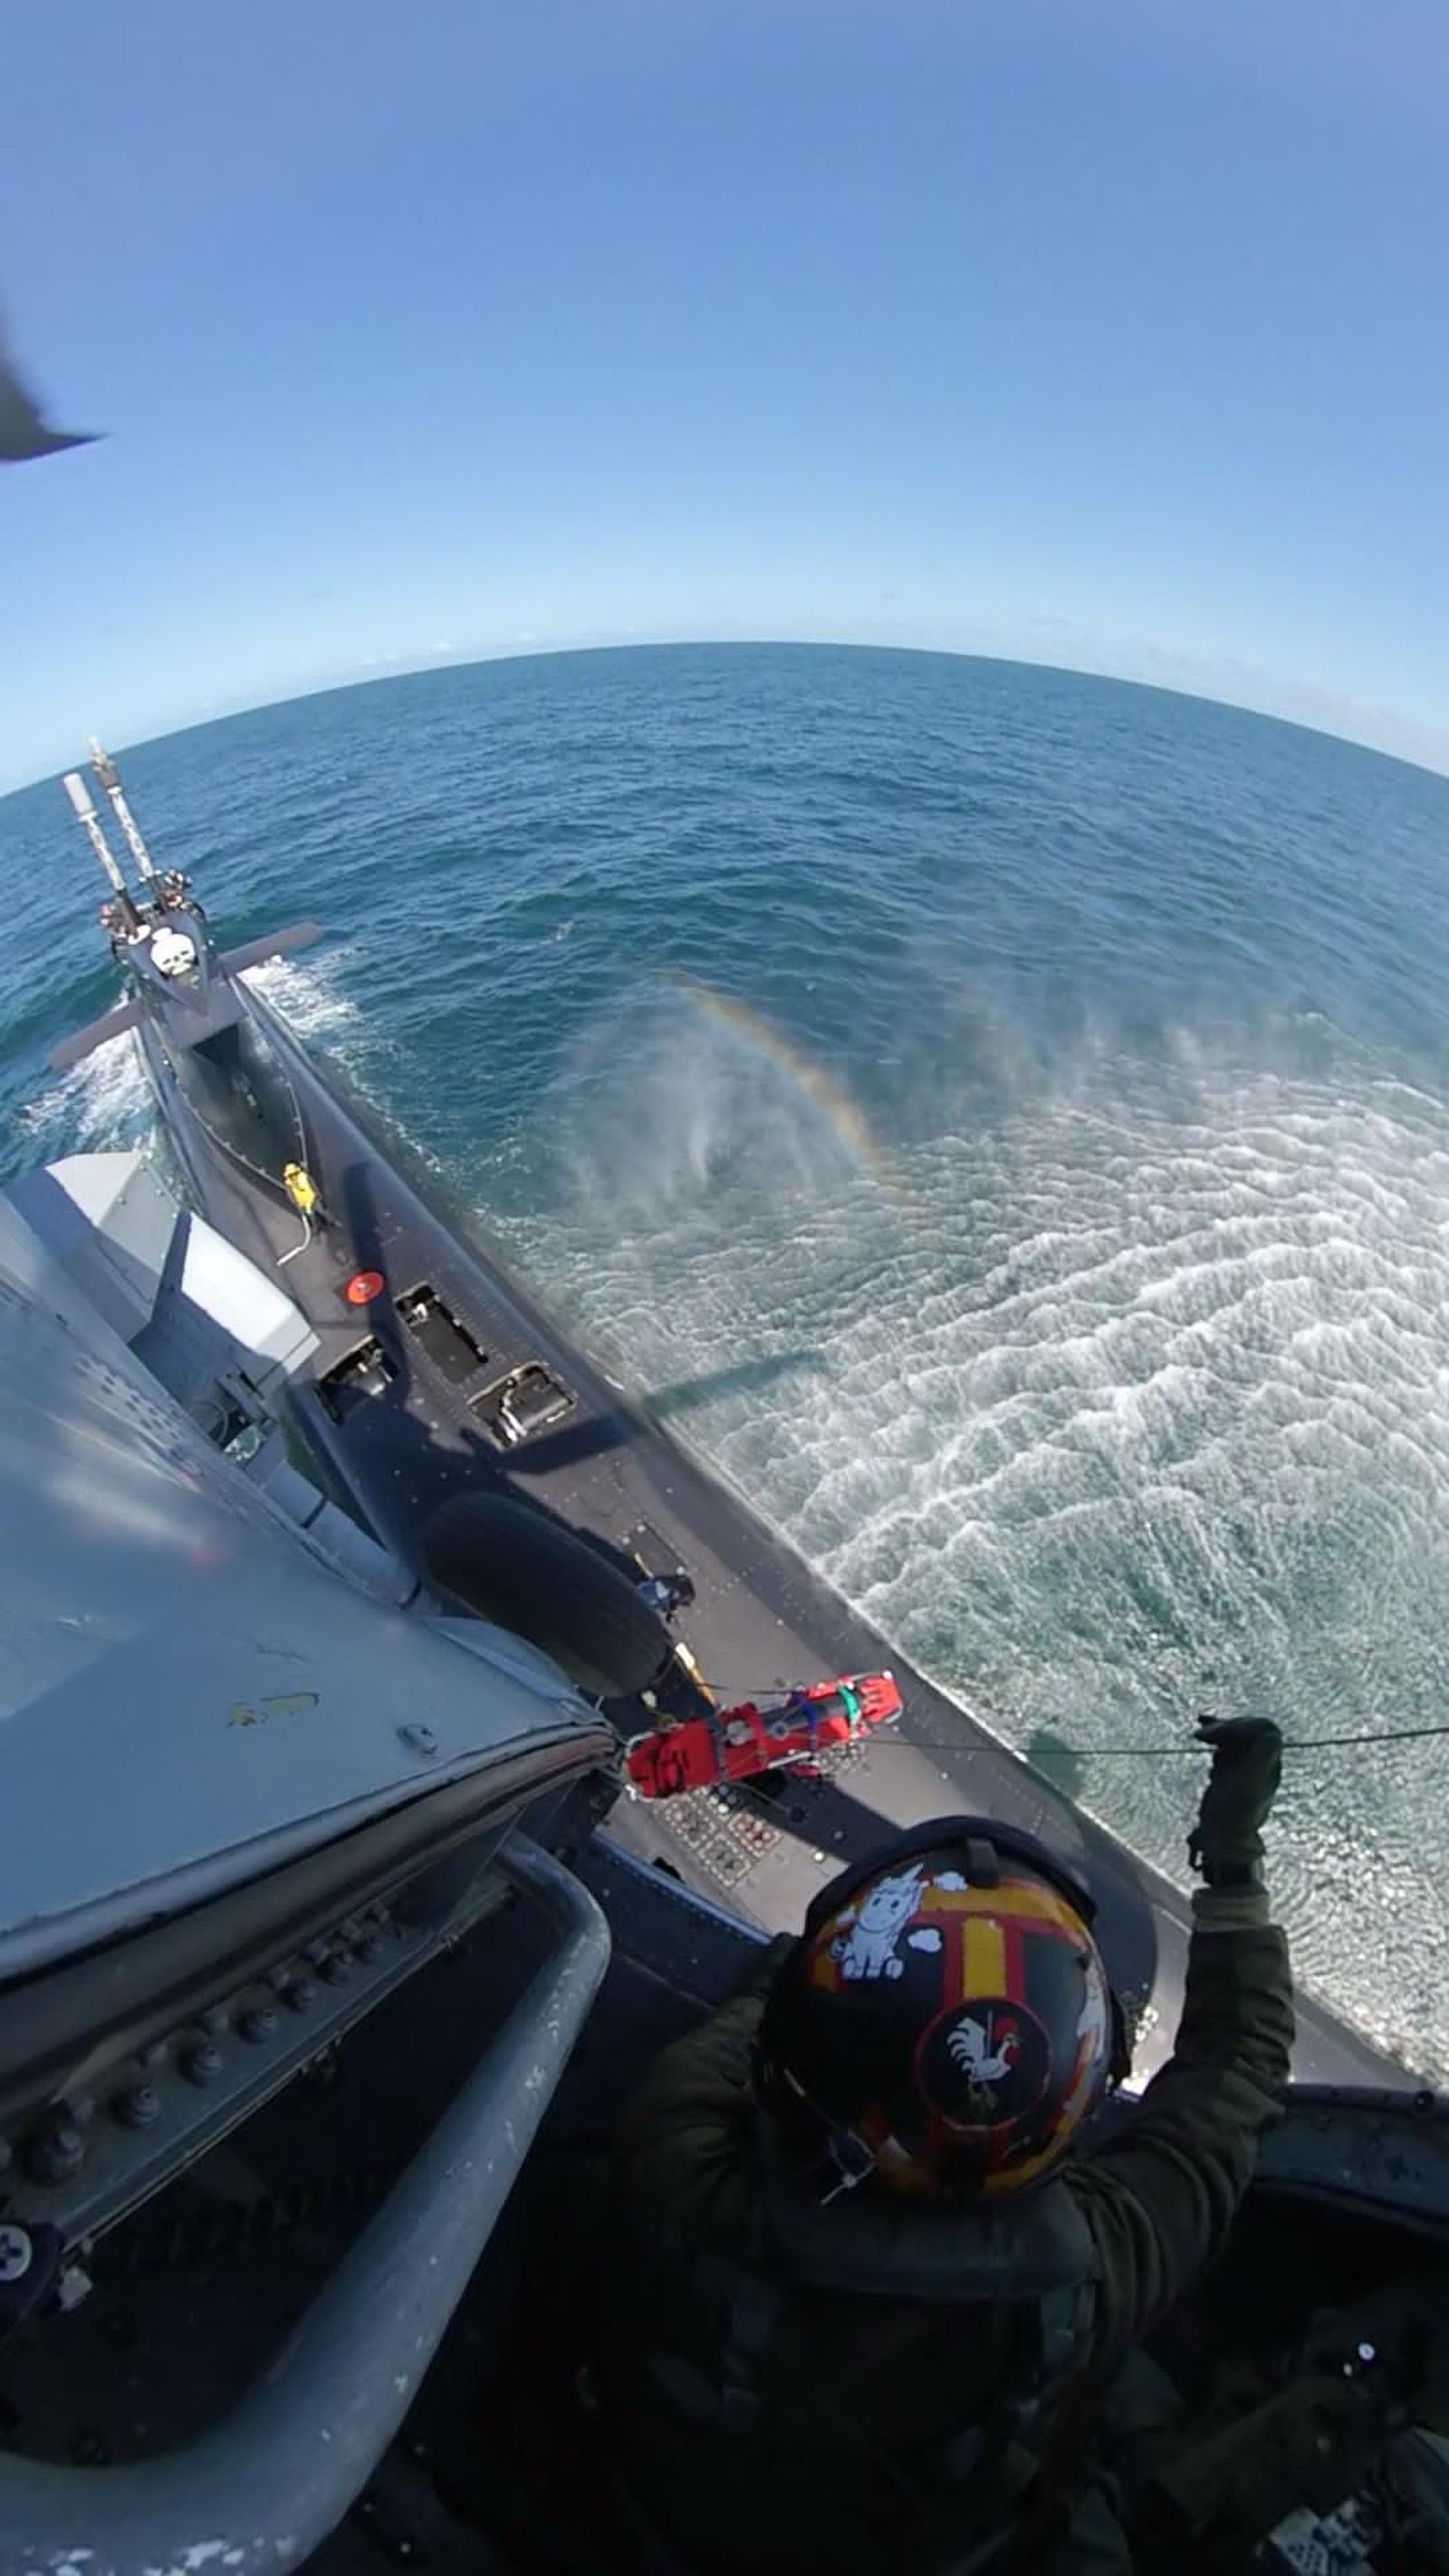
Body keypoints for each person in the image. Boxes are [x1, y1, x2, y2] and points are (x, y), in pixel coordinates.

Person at [597, 1717, 1291, 2575]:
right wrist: (1232, 1858)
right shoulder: (1094, 2282)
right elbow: (1234, 2073)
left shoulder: (682, 2177)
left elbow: (760, 2030)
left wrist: (813, 1973)